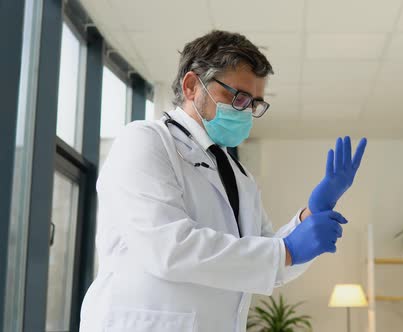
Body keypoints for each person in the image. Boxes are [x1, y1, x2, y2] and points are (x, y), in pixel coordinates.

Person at [79, 30, 367, 332]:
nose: (245, 111)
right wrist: (286, 251)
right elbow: (168, 248)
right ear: (192, 85)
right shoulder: (145, 141)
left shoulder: (238, 174)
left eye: (254, 103)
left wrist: (312, 214)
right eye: (238, 97)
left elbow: (270, 257)